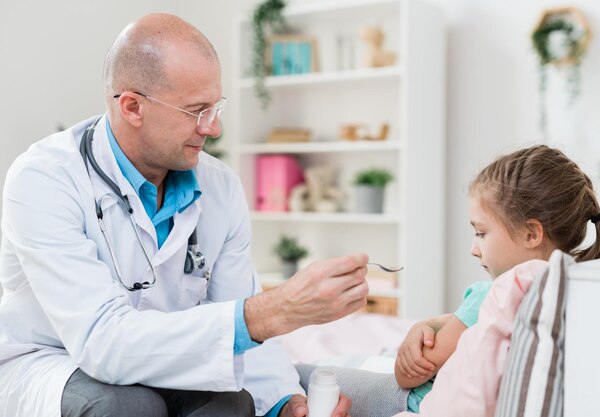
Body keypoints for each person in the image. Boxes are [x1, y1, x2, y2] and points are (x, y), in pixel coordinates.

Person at [0, 13, 370, 417]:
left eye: (216, 107)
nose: (213, 128)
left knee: (230, 404)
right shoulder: (44, 179)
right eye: (197, 111)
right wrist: (273, 310)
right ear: (132, 107)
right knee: (125, 407)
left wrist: (283, 401)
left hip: (167, 360)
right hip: (56, 360)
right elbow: (101, 341)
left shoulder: (220, 186)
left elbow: (242, 324)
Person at [394, 144, 600, 413]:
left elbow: (409, 375)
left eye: (481, 233)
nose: (473, 248)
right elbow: (466, 322)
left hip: (416, 400)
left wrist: (412, 340)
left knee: (341, 381)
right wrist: (429, 322)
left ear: (530, 234)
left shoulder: (496, 295)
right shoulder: (565, 293)